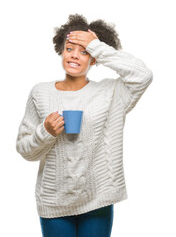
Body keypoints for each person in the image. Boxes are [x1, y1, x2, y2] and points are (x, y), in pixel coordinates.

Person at [15, 13, 153, 237]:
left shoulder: (111, 93)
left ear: (94, 58)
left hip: (97, 200)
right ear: (61, 50)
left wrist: (97, 45)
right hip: (54, 201)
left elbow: (143, 75)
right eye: (70, 49)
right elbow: (25, 150)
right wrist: (45, 132)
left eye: (85, 51)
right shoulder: (40, 92)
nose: (75, 56)